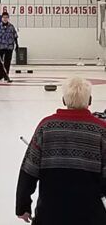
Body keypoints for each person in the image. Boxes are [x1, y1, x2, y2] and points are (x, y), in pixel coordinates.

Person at [16, 77, 106, 225]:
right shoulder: (101, 130)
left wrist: (22, 206)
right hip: (90, 214)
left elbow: (29, 170)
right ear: (90, 100)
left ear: (64, 100)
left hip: (49, 213)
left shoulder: (46, 126)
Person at [0, 12, 18, 82]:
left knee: (7, 62)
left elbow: (15, 36)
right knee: (0, 62)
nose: (5, 19)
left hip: (9, 47)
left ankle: (6, 75)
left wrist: (17, 45)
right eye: (4, 17)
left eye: (6, 17)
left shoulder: (11, 27)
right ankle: (0, 75)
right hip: (0, 46)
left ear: (8, 18)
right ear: (1, 18)